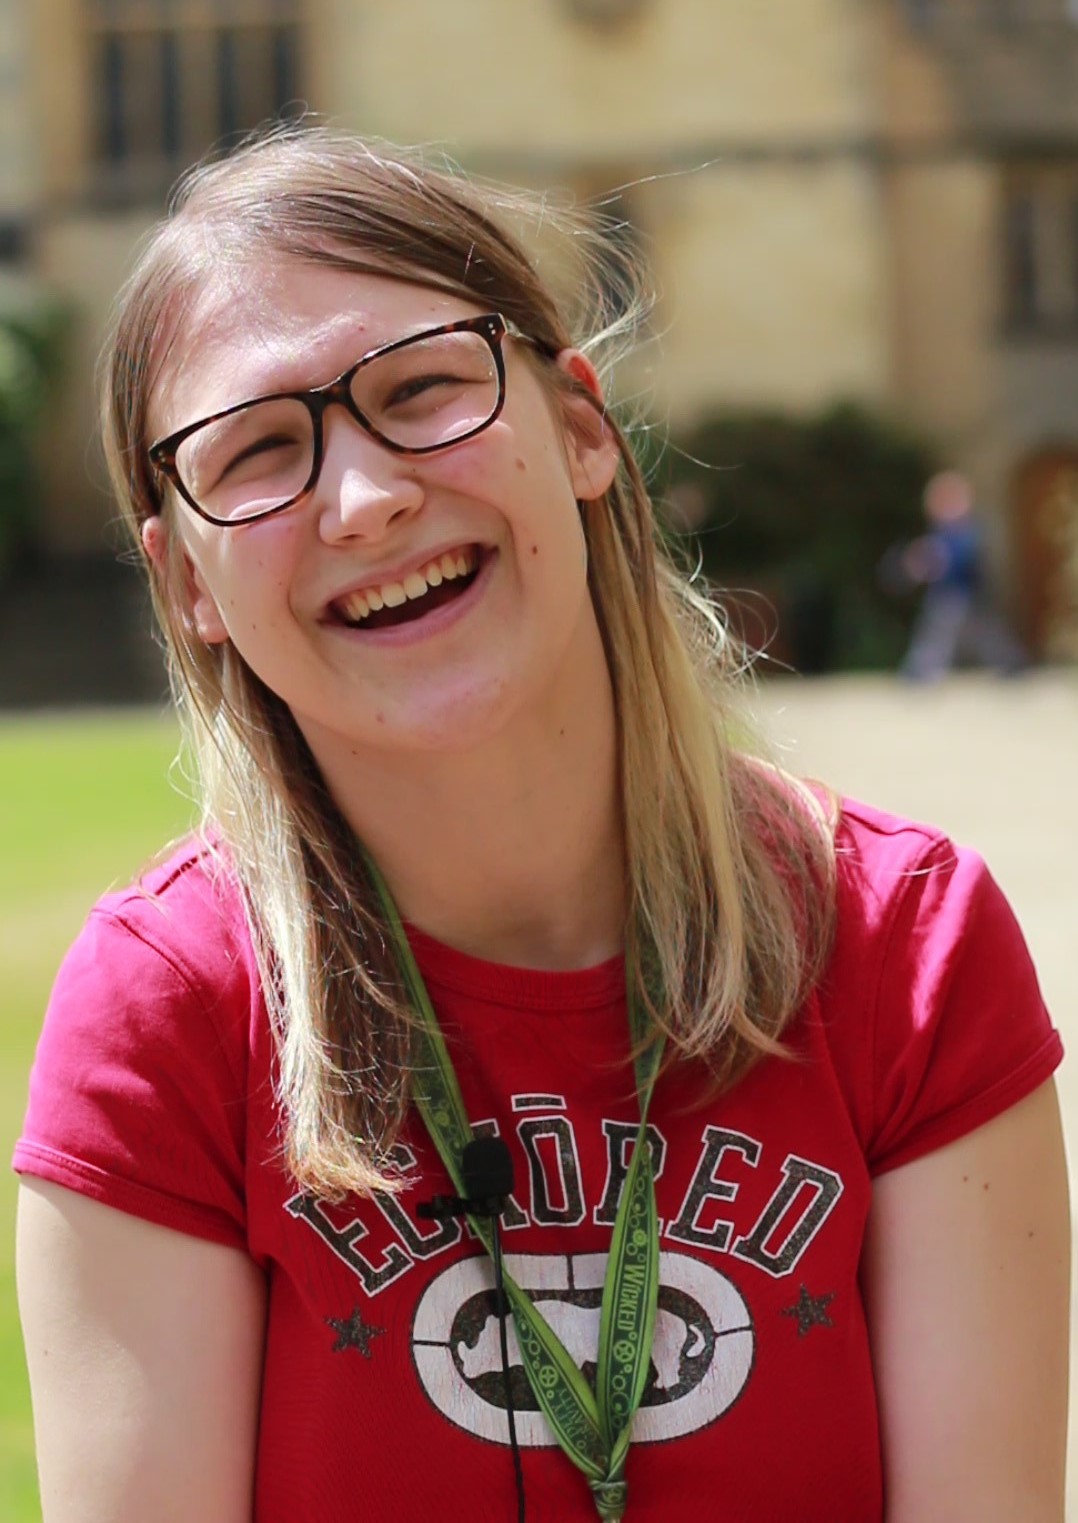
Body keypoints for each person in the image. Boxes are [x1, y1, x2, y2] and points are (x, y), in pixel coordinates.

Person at [14, 126, 1068, 1523]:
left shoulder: (905, 945)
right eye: (257, 451)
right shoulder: (166, 1013)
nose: (368, 494)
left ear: (578, 426)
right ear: (188, 580)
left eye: (426, 388)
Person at [899, 468, 1027, 681]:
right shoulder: (942, 531)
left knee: (956, 636)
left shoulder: (967, 530)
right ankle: (921, 671)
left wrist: (934, 560)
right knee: (951, 636)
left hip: (963, 596)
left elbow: (961, 558)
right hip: (948, 595)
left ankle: (1012, 665)